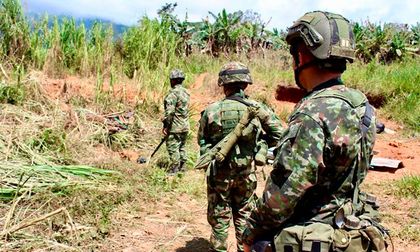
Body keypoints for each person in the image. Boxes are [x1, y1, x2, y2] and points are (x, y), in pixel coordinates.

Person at [242, 11, 389, 252]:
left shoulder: (312, 114)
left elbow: (284, 194)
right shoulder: (361, 105)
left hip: (313, 235)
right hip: (348, 231)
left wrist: (250, 233)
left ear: (300, 56)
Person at [198, 62, 284, 252]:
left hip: (219, 175)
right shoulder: (258, 109)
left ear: (223, 84)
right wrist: (261, 145)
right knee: (245, 215)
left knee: (219, 217)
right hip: (246, 174)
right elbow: (280, 135)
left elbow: (202, 141)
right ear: (246, 84)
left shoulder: (212, 110)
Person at [162, 69, 190, 174]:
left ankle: (174, 169)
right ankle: (183, 167)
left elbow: (170, 112)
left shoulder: (173, 94)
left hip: (175, 127)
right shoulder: (186, 92)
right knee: (182, 146)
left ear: (172, 81)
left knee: (173, 147)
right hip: (185, 125)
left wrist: (166, 126)